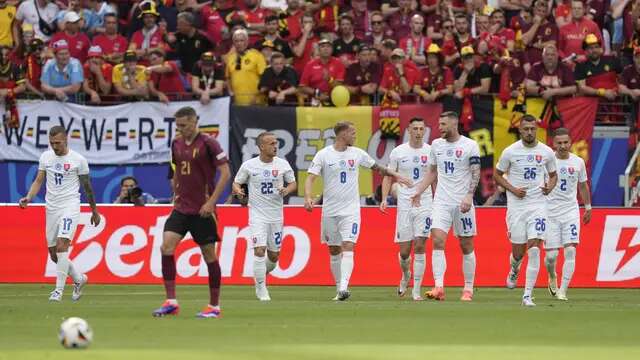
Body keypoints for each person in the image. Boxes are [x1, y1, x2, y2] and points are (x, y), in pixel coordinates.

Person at [304, 121, 412, 301]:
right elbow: (310, 178)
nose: (355, 136)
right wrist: (308, 197)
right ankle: (339, 288)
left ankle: (344, 287)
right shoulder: (324, 155)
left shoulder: (357, 154)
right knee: (334, 250)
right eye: (352, 132)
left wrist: (397, 175)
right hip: (330, 210)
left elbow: (379, 168)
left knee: (348, 245)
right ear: (342, 135)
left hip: (351, 210)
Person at [152, 106, 230, 318]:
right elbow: (176, 170)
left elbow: (225, 173)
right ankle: (171, 302)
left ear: (195, 122)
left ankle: (214, 307)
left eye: (184, 126)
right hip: (181, 208)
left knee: (209, 255)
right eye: (178, 126)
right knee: (166, 247)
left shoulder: (209, 143)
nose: (181, 130)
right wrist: (175, 193)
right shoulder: (176, 143)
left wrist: (212, 202)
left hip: (203, 210)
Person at [19, 125, 100, 302]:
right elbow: (38, 180)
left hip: (70, 206)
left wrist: (94, 211)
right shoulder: (46, 157)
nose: (55, 146)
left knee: (63, 245)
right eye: (51, 143)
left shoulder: (78, 160)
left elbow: (87, 187)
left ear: (66, 140)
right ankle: (79, 279)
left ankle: (58, 291)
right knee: (55, 255)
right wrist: (28, 197)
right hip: (52, 208)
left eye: (58, 143)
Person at [410, 111, 481, 302]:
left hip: (463, 202)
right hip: (441, 201)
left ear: (453, 124)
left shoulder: (470, 145)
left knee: (466, 245)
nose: (439, 127)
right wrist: (418, 190)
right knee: (438, 240)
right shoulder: (436, 145)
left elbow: (476, 173)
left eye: (443, 124)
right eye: (439, 124)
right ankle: (439, 286)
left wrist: (469, 195)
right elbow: (432, 172)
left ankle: (468, 289)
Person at [494, 114, 558, 307]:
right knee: (519, 251)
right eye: (526, 129)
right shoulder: (510, 152)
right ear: (520, 130)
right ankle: (514, 268)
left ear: (536, 129)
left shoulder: (546, 152)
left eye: (532, 129)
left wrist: (550, 187)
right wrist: (513, 189)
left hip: (538, 205)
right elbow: (497, 175)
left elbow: (554, 175)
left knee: (535, 249)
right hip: (517, 206)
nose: (529, 132)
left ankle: (527, 295)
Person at [232, 132, 297, 301]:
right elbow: (237, 182)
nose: (275, 146)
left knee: (274, 257)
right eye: (271, 143)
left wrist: (286, 190)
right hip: (257, 215)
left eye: (276, 143)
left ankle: (259, 274)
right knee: (259, 251)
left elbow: (293, 183)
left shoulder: (282, 164)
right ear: (261, 146)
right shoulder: (249, 165)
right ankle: (261, 288)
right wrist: (238, 190)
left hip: (276, 216)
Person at [380, 117, 433, 301]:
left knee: (420, 244)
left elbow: (435, 177)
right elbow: (388, 176)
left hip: (425, 203)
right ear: (408, 130)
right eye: (415, 129)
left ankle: (417, 290)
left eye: (421, 128)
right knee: (404, 252)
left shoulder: (431, 151)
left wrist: (437, 201)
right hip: (404, 204)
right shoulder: (398, 152)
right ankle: (405, 275)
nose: (418, 132)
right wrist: (384, 198)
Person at [544, 128, 592, 301]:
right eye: (559, 143)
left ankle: (563, 290)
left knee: (570, 251)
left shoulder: (578, 162)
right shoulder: (547, 162)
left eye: (566, 142)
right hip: (550, 212)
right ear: (553, 143)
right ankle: (552, 276)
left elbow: (583, 186)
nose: (563, 146)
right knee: (551, 257)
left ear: (570, 143)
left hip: (570, 211)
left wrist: (587, 207)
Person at [225, 28, 267, 105]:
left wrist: (256, 96)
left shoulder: (257, 55)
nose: (239, 43)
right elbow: (228, 78)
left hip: (256, 102)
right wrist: (230, 92)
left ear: (247, 42)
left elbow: (265, 79)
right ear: (233, 43)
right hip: (237, 103)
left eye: (241, 40)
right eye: (236, 41)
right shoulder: (230, 58)